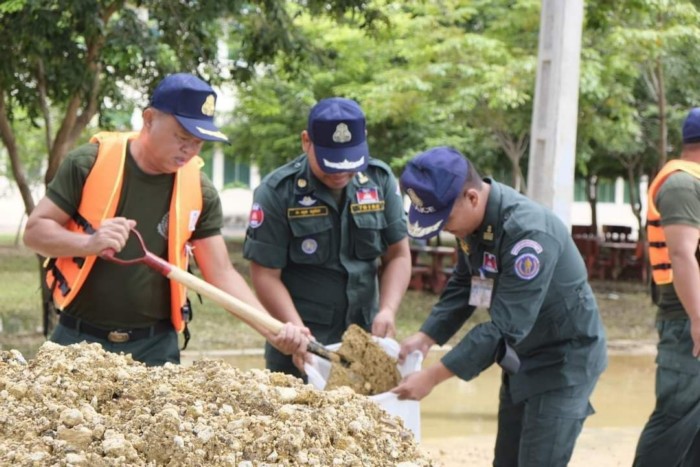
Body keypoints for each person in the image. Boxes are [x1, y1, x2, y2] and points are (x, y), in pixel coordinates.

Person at [23, 73, 308, 366]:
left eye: (199, 142)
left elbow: (221, 272)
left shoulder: (200, 191)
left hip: (154, 349)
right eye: (182, 137)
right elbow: (34, 232)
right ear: (149, 119)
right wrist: (89, 242)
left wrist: (269, 328)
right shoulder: (87, 164)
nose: (190, 150)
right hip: (77, 340)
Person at [392, 147, 608, 467]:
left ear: (472, 197)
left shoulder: (527, 234)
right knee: (506, 460)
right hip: (520, 358)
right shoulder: (474, 226)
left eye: (445, 219)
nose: (443, 229)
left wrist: (433, 377)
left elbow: (505, 327)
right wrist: (426, 337)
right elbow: (466, 284)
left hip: (563, 361)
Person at [242, 97, 411, 378]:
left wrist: (388, 310)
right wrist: (297, 333)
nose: (342, 172)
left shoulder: (379, 180)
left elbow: (398, 255)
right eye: (331, 163)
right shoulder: (277, 192)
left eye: (351, 162)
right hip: (299, 344)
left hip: (365, 343)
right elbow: (265, 274)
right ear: (306, 141)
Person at [634, 108, 700, 467]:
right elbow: (681, 252)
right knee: (675, 416)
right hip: (686, 322)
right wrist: (698, 319)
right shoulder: (681, 183)